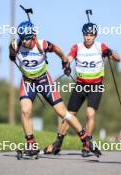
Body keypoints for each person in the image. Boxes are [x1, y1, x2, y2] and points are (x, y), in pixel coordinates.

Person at [9, 21, 99, 156]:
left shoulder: (43, 44)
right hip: (28, 82)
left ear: (33, 35)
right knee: (25, 111)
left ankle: (85, 139)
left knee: (63, 113)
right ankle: (31, 144)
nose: (24, 41)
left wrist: (64, 60)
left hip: (44, 80)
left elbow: (57, 49)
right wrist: (12, 49)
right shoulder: (17, 45)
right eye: (22, 38)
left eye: (27, 38)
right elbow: (12, 57)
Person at [44, 22, 121, 156]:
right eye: (86, 34)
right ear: (83, 35)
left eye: (91, 35)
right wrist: (66, 63)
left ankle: (87, 144)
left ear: (95, 35)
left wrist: (111, 52)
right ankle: (58, 143)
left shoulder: (100, 47)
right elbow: (69, 58)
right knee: (68, 115)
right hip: (80, 85)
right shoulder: (77, 47)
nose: (88, 37)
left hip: (96, 86)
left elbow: (118, 59)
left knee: (90, 114)